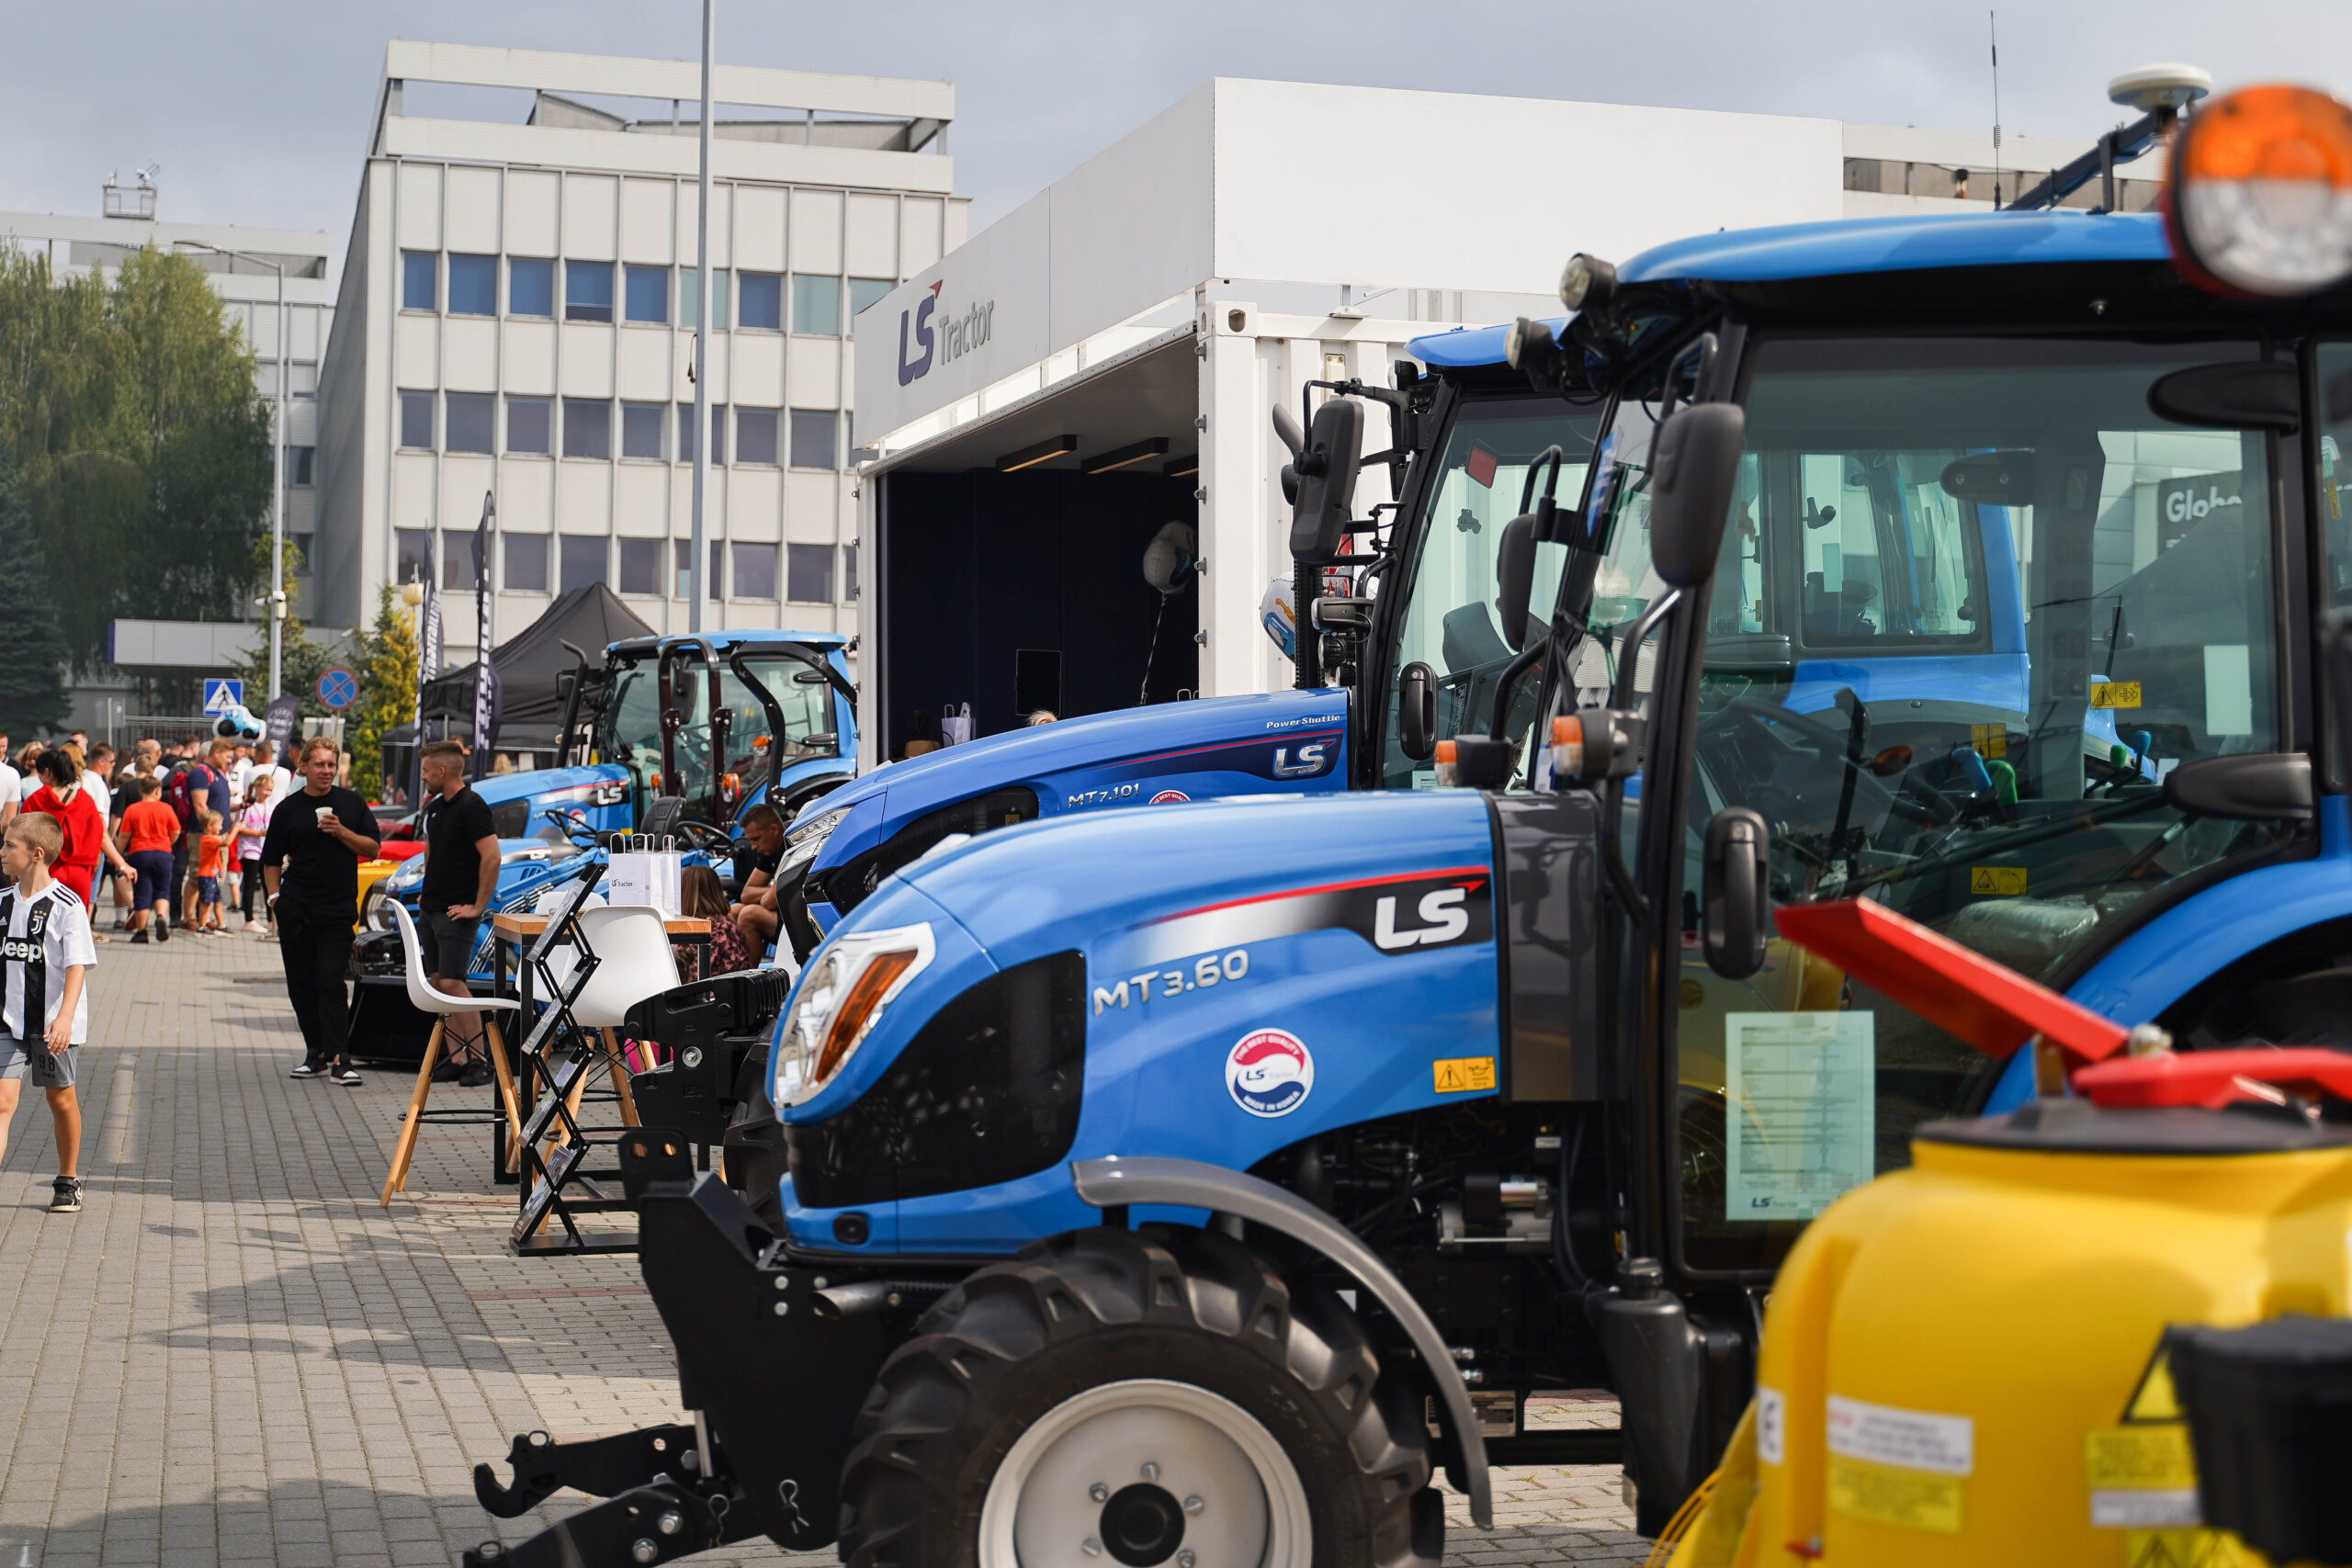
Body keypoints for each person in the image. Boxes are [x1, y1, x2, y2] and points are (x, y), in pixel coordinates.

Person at [261, 738, 379, 1084]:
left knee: (330, 980)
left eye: (331, 765)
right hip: (295, 906)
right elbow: (270, 860)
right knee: (301, 983)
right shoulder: (288, 808)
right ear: (304, 768)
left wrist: (341, 831)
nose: (326, 771)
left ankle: (342, 1059)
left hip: (337, 907)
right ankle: (315, 1054)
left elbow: (373, 848)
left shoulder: (351, 802)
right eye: (319, 765)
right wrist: (274, 899)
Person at [0, 811, 91, 1213]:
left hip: (52, 1026)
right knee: (2, 1102)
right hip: (6, 1022)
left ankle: (68, 1179)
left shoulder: (66, 905)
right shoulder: (2, 902)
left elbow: (77, 966)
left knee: (61, 1101)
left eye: (9, 845)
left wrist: (66, 1018)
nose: (2, 852)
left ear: (36, 854)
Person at [413, 739, 498, 1088]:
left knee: (453, 982)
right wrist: (425, 891)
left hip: (457, 911)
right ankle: (457, 1057)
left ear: (441, 771)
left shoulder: (472, 806)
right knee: (436, 983)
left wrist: (478, 906)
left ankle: (482, 1060)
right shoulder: (436, 807)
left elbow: (491, 857)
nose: (422, 776)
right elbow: (431, 849)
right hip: (432, 907)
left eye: (425, 770)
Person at [23, 750, 107, 945]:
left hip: (47, 871)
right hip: (80, 872)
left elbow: (22, 836)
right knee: (76, 931)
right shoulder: (85, 800)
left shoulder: (36, 800)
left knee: (41, 930)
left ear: (46, 772)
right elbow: (97, 834)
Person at [118, 776, 178, 944]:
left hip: (140, 853)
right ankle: (160, 916)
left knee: (142, 892)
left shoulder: (132, 809)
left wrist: (117, 854)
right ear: (158, 791)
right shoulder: (166, 808)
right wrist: (167, 842)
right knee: (162, 889)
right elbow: (176, 831)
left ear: (141, 791)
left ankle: (142, 931)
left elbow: (124, 835)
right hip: (163, 853)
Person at [676, 864, 754, 982]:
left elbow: (693, 978)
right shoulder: (726, 924)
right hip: (734, 993)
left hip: (715, 996)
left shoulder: (709, 930)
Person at [727, 804, 787, 953]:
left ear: (773, 830)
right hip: (778, 914)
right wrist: (773, 888)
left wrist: (770, 894)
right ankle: (731, 967)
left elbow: (768, 902)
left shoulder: (789, 849)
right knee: (732, 910)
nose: (753, 847)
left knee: (749, 915)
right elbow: (746, 894)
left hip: (795, 920)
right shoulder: (769, 852)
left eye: (756, 839)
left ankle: (749, 974)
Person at [234, 772, 277, 934]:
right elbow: (239, 828)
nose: (268, 793)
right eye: (265, 789)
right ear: (257, 788)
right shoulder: (248, 807)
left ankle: (271, 920)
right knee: (250, 883)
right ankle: (249, 919)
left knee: (268, 885)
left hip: (264, 850)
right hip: (249, 850)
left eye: (270, 790)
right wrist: (258, 834)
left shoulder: (271, 807)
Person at [192, 811, 229, 935]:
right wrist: (236, 829)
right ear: (209, 826)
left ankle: (221, 924)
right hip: (206, 876)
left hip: (212, 875)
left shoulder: (212, 839)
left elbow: (216, 857)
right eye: (219, 825)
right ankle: (201, 926)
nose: (221, 828)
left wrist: (219, 870)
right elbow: (226, 843)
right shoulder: (208, 839)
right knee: (206, 902)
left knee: (217, 901)